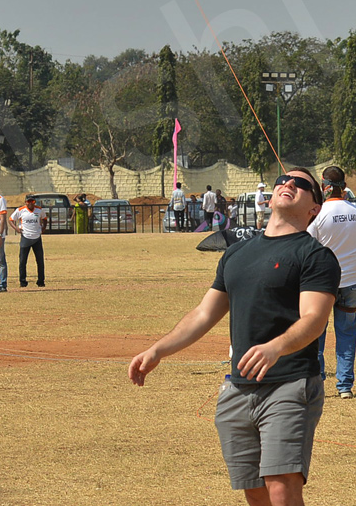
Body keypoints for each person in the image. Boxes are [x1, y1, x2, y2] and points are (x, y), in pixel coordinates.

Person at [129, 169, 340, 505]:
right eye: (283, 180)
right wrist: (158, 350)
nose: (289, 184)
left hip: (289, 383)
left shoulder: (314, 256)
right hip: (238, 388)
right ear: (270, 196)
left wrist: (275, 347)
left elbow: (314, 319)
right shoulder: (236, 253)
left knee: (282, 485)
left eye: (302, 184)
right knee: (254, 490)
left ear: (315, 207)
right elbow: (203, 314)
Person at [308, 166, 356, 399]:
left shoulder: (318, 215)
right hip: (351, 281)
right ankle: (345, 386)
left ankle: (317, 382)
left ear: (324, 186)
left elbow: (307, 243)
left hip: (323, 282)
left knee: (316, 333)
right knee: (347, 334)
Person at [10, 194, 45, 288]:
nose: (30, 204)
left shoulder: (39, 210)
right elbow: (11, 219)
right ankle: (23, 281)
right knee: (22, 261)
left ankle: (41, 281)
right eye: (28, 202)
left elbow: (44, 219)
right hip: (25, 237)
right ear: (25, 202)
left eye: (32, 202)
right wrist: (16, 229)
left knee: (40, 260)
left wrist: (43, 228)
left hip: (37, 237)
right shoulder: (20, 210)